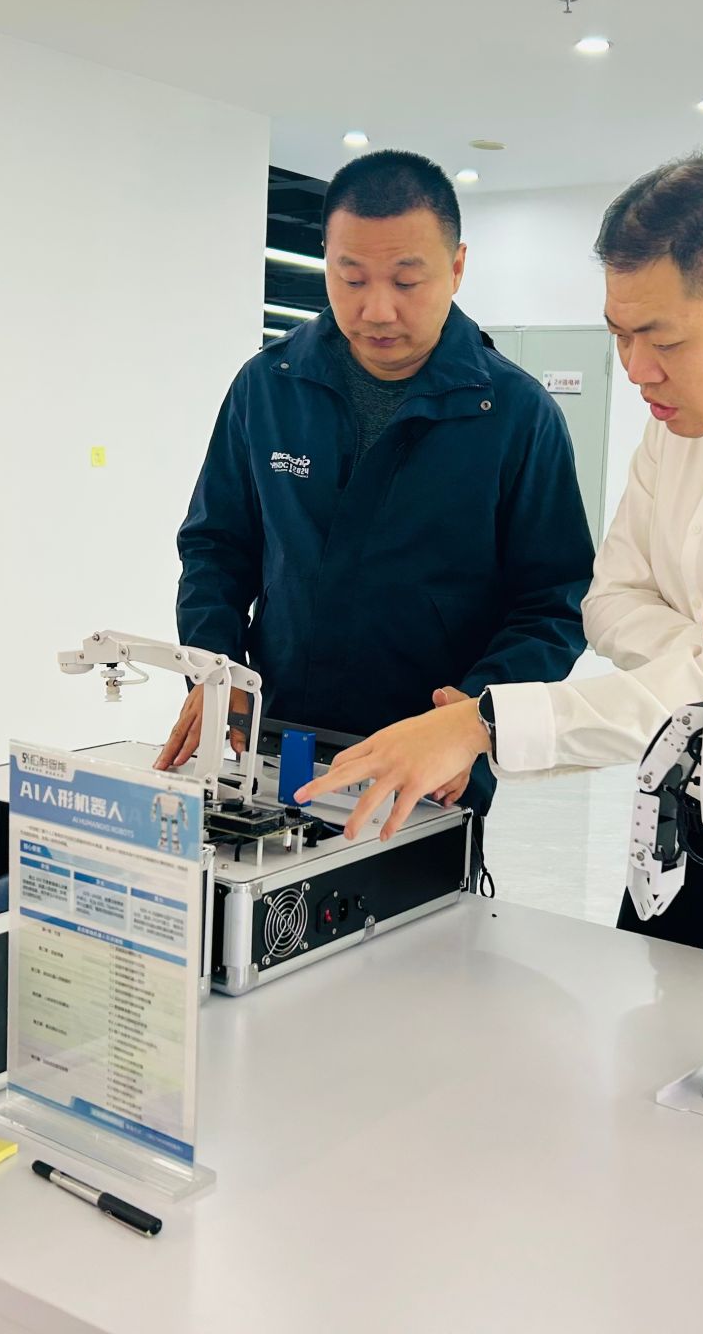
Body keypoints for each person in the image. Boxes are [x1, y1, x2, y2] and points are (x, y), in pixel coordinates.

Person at [295, 149, 703, 952]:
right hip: (689, 816)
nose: (638, 371)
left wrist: (483, 724)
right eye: (619, 336)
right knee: (652, 1021)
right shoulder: (679, 421)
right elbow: (609, 603)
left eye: (663, 339)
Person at [161, 149, 596, 872]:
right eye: (352, 278)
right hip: (274, 747)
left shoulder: (515, 415)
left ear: (457, 267)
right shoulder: (269, 387)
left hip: (428, 770)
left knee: (411, 936)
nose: (377, 309)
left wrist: (473, 717)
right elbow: (216, 548)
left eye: (406, 280)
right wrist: (215, 672)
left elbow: (554, 603)